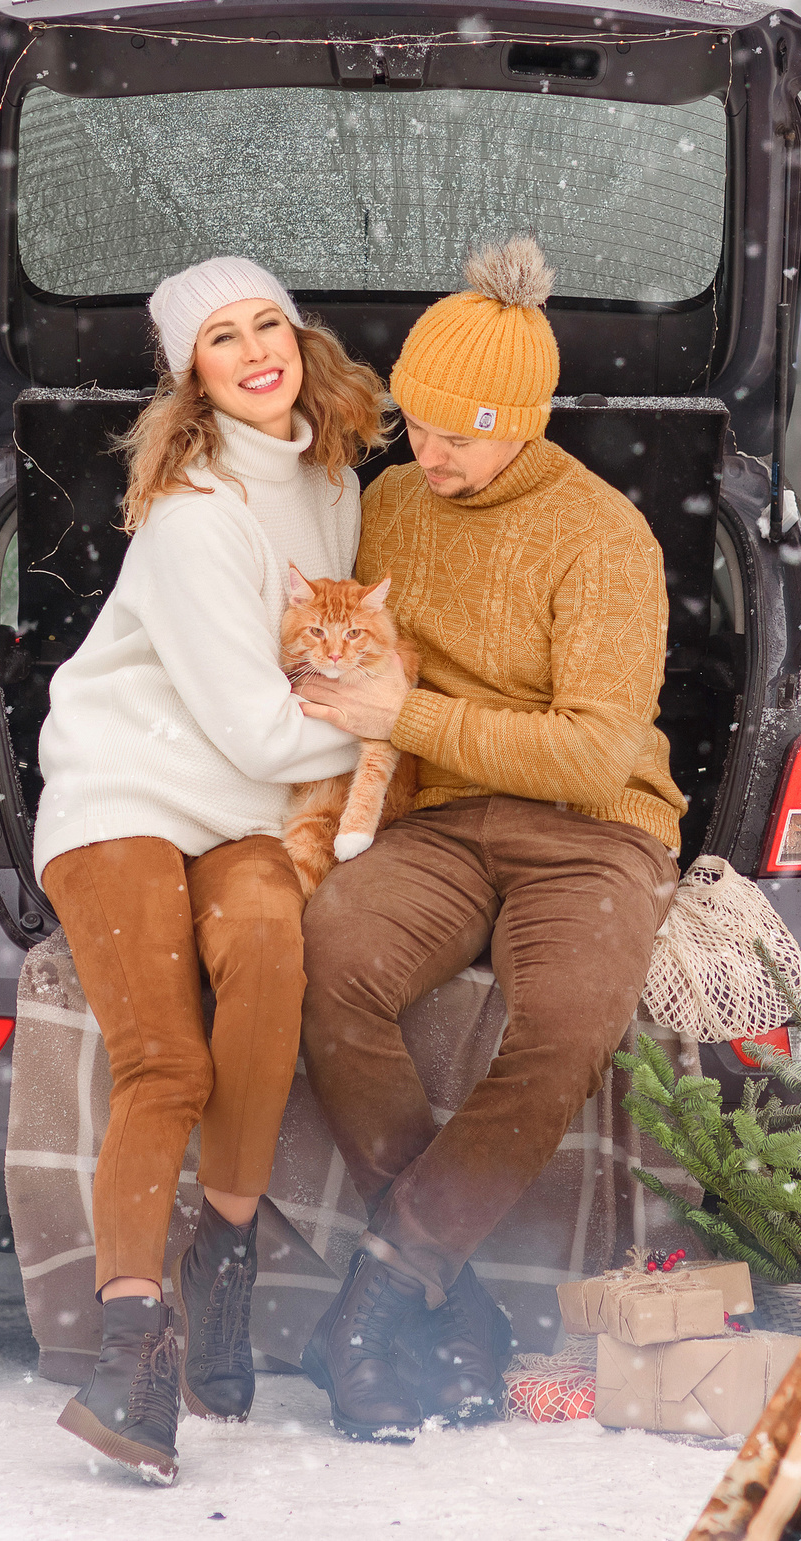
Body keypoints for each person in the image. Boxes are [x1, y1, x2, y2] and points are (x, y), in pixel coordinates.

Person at [291, 235, 686, 1440]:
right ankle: (442, 1288)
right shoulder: (392, 502)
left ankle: (384, 1289)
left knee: (566, 1016)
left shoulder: (606, 540)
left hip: (591, 828)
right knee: (329, 958)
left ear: (526, 419)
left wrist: (399, 712)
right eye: (415, 421)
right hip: (439, 815)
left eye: (460, 431)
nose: (431, 450)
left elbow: (587, 751)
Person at [32, 255, 390, 1484]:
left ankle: (223, 1253)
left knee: (272, 958)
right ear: (191, 373)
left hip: (243, 814)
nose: (252, 352)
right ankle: (130, 1345)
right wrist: (399, 719)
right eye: (220, 339)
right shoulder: (194, 516)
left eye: (266, 325)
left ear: (298, 340)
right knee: (165, 1057)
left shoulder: (333, 483)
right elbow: (254, 726)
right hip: (126, 790)